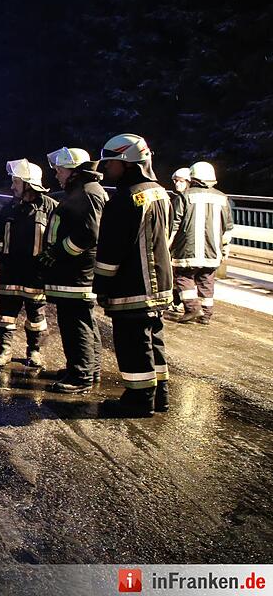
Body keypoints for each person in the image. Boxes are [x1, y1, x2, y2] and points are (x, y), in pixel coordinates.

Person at [93, 133, 173, 417]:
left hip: (131, 286)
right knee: (154, 339)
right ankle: (160, 396)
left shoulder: (125, 199)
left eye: (111, 163)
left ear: (127, 163)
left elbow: (111, 249)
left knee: (132, 343)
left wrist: (101, 284)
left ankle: (138, 400)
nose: (106, 169)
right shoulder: (160, 192)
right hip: (159, 285)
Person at [37, 148, 107, 393]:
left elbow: (88, 234)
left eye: (60, 169)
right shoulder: (83, 191)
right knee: (82, 321)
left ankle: (81, 376)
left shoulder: (86, 193)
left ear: (74, 171)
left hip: (77, 272)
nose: (56, 173)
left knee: (76, 322)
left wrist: (58, 252)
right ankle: (86, 368)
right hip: (74, 271)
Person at [0, 159, 56, 370]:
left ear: (28, 184)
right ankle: (4, 350)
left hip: (36, 275)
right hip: (11, 272)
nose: (12, 187)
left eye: (15, 182)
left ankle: (34, 351)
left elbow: (55, 240)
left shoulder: (50, 208)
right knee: (7, 315)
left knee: (36, 317)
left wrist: (51, 262)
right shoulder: (9, 208)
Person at [169, 161, 234, 324]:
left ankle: (192, 308)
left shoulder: (185, 196)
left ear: (193, 177)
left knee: (183, 278)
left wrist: (167, 246)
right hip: (213, 251)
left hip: (187, 251)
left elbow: (174, 225)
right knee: (206, 280)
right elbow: (228, 227)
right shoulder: (222, 198)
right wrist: (225, 249)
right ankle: (206, 314)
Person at [167, 167, 191, 313]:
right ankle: (178, 301)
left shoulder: (183, 199)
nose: (176, 184)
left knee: (181, 274)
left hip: (183, 244)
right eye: (175, 181)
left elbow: (175, 223)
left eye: (180, 181)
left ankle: (181, 302)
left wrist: (168, 242)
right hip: (183, 244)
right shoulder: (179, 198)